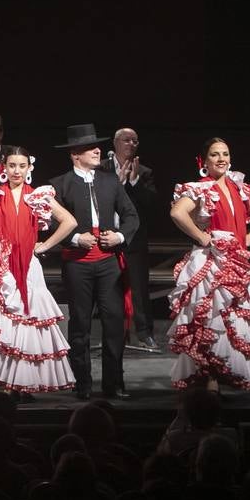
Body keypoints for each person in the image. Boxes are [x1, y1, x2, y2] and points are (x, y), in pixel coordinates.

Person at [0, 146, 77, 399]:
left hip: (27, 263)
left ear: (29, 168)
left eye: (22, 166)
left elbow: (69, 221)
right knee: (4, 320)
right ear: (4, 169)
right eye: (12, 166)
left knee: (27, 319)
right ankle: (8, 378)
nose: (17, 171)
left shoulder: (37, 196)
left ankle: (24, 380)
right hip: (0, 264)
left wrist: (45, 245)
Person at [167, 138, 250, 392]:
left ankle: (225, 372)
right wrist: (202, 237)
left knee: (231, 319)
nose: (222, 158)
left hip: (235, 263)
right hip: (211, 262)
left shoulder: (239, 188)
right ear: (204, 161)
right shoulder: (200, 188)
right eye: (215, 154)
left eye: (225, 153)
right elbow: (177, 213)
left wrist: (248, 239)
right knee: (211, 318)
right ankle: (209, 378)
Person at [50, 124, 140, 401]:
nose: (98, 150)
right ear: (75, 154)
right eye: (91, 147)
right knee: (80, 324)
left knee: (114, 323)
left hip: (108, 263)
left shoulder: (110, 181)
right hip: (77, 264)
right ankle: (83, 384)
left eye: (97, 146)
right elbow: (50, 223)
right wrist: (76, 239)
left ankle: (114, 383)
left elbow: (131, 216)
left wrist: (120, 236)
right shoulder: (59, 185)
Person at [104, 127, 160, 350]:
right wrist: (115, 184)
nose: (131, 144)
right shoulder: (102, 169)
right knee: (108, 289)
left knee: (139, 288)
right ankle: (114, 334)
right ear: (116, 143)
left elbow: (150, 206)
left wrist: (134, 183)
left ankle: (144, 333)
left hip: (134, 240)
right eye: (127, 140)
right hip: (107, 239)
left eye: (135, 141)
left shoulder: (144, 172)